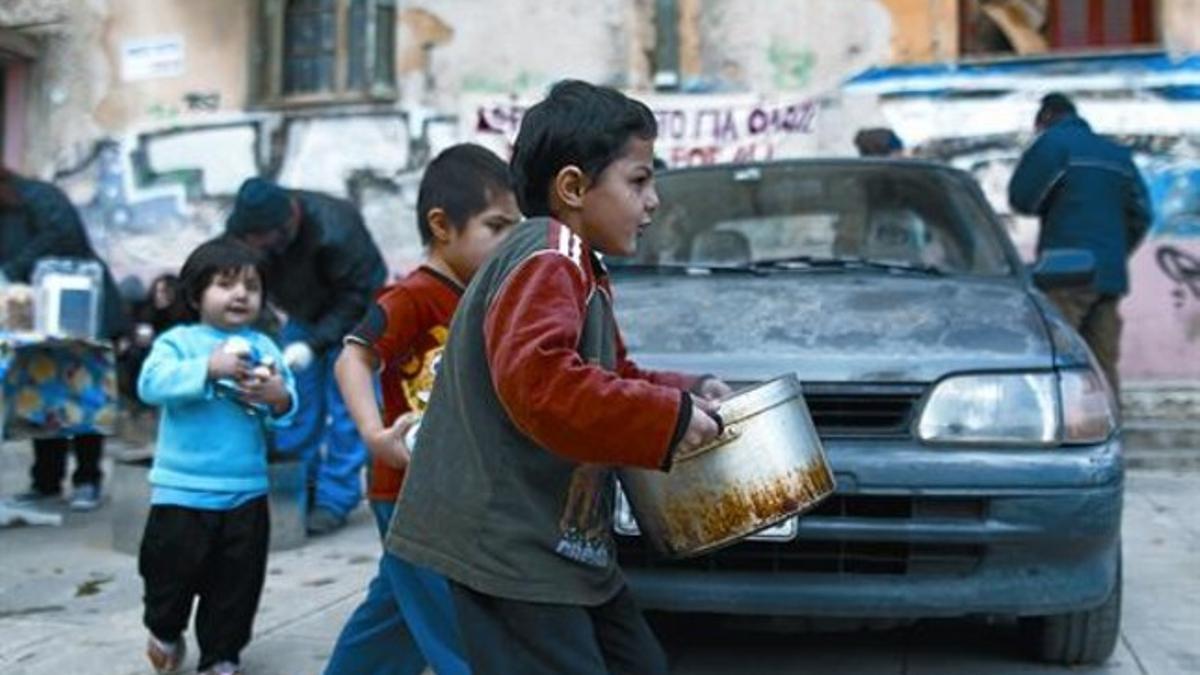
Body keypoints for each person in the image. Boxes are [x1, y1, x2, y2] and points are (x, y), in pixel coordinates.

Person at [385, 80, 731, 675]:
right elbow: (542, 386)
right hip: (510, 550)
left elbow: (612, 374)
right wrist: (666, 421)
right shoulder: (548, 256)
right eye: (639, 181)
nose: (653, 202)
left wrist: (686, 390)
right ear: (572, 187)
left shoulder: (578, 266)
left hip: (565, 548)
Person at [324, 143, 521, 675]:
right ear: (442, 225)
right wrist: (373, 433)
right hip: (412, 492)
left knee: (394, 614)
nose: (510, 243)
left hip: (458, 489)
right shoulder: (411, 297)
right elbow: (352, 359)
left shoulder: (480, 295)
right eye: (496, 226)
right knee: (459, 629)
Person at [136, 237, 297, 675]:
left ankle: (221, 656)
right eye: (225, 285)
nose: (241, 295)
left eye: (251, 286)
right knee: (167, 581)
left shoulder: (264, 347)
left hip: (244, 491)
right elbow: (150, 384)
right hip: (181, 493)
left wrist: (278, 397)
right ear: (195, 295)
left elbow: (285, 410)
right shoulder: (180, 343)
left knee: (236, 586)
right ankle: (164, 630)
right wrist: (208, 368)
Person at [226, 177, 387, 535]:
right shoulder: (251, 229)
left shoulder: (337, 228)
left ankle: (335, 499)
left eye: (258, 241)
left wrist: (313, 345)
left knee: (348, 409)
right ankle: (298, 489)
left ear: (284, 227)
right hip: (303, 314)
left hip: (358, 313)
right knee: (296, 404)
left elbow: (356, 297)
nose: (253, 248)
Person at [1, 167, 129, 511]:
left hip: (82, 310)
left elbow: (63, 236)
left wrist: (13, 269)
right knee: (44, 396)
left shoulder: (40, 197)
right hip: (36, 317)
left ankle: (87, 479)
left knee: (87, 394)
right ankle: (46, 481)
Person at [1008, 93, 1152, 394]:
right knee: (1102, 363)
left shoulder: (1052, 145)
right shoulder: (1117, 154)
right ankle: (1109, 434)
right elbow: (1142, 215)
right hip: (1109, 276)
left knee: (1058, 357)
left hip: (1065, 271)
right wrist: (1115, 252)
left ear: (1045, 119)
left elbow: (1022, 199)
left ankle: (1063, 434)